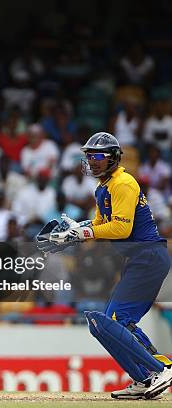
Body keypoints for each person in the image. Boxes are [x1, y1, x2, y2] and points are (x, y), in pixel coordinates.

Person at [44, 132, 172, 400]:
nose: (92, 161)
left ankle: (161, 369)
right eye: (89, 156)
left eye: (98, 156)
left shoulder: (123, 183)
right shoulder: (102, 188)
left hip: (148, 257)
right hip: (138, 259)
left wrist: (81, 234)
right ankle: (144, 378)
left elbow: (121, 229)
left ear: (113, 158)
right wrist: (73, 234)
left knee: (114, 320)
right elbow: (101, 226)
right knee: (104, 324)